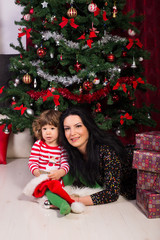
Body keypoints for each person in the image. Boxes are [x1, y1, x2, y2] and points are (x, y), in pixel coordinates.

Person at [59, 106, 128, 206]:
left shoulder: (107, 151)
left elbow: (112, 193)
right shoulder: (72, 153)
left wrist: (71, 201)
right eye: (67, 128)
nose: (72, 133)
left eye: (78, 126)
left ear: (88, 126)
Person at [28, 109, 75, 215]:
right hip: (45, 179)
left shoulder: (62, 147)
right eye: (44, 128)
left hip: (58, 176)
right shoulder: (38, 145)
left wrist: (61, 172)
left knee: (75, 170)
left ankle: (95, 186)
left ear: (60, 130)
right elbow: (32, 161)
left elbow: (65, 163)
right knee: (49, 191)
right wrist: (36, 171)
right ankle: (63, 204)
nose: (47, 132)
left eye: (52, 128)